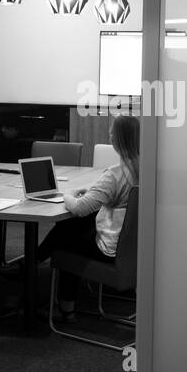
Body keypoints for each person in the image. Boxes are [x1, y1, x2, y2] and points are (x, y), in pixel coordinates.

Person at [36, 114, 138, 322]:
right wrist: (92, 191)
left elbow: (81, 208)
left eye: (111, 131)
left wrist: (68, 194)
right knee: (74, 225)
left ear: (116, 139)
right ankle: (32, 262)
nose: (109, 134)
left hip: (111, 250)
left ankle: (64, 305)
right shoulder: (145, 169)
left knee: (66, 234)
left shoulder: (115, 174)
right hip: (132, 249)